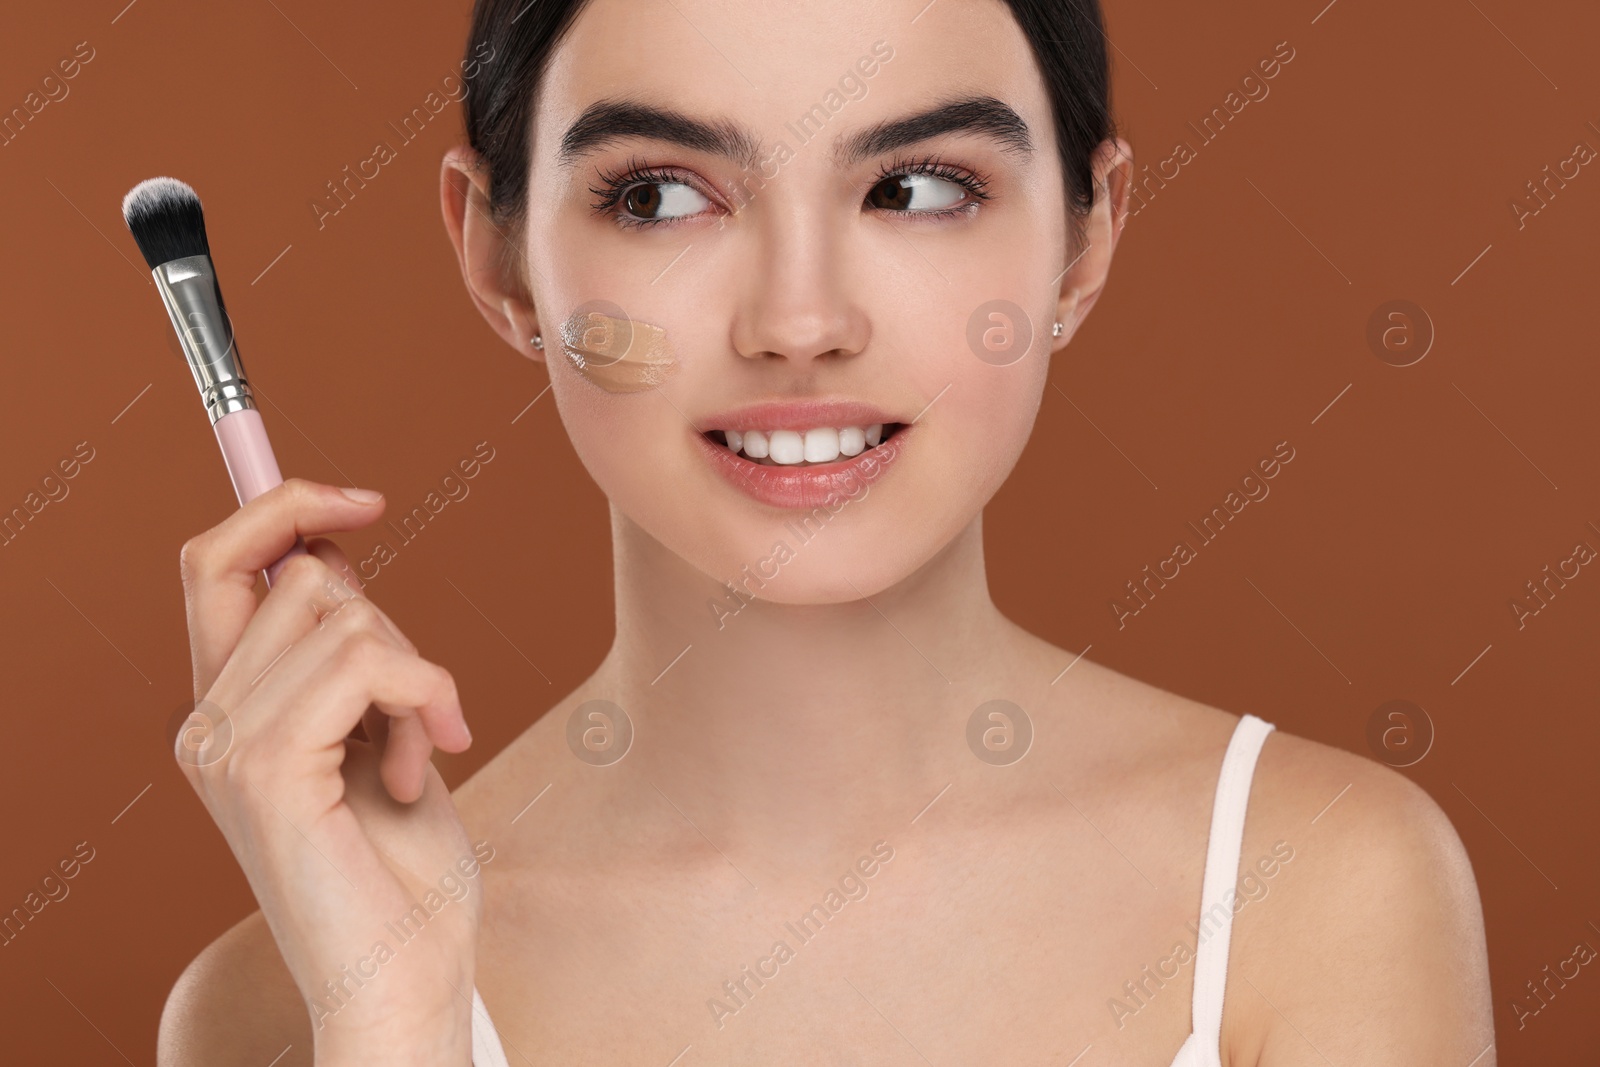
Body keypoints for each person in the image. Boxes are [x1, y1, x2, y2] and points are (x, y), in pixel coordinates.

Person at [157, 0, 1495, 1063]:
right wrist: (392, 1021)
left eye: (915, 191)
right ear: (499, 257)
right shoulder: (280, 1001)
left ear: (1086, 243)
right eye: (661, 197)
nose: (798, 322)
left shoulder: (1322, 890)